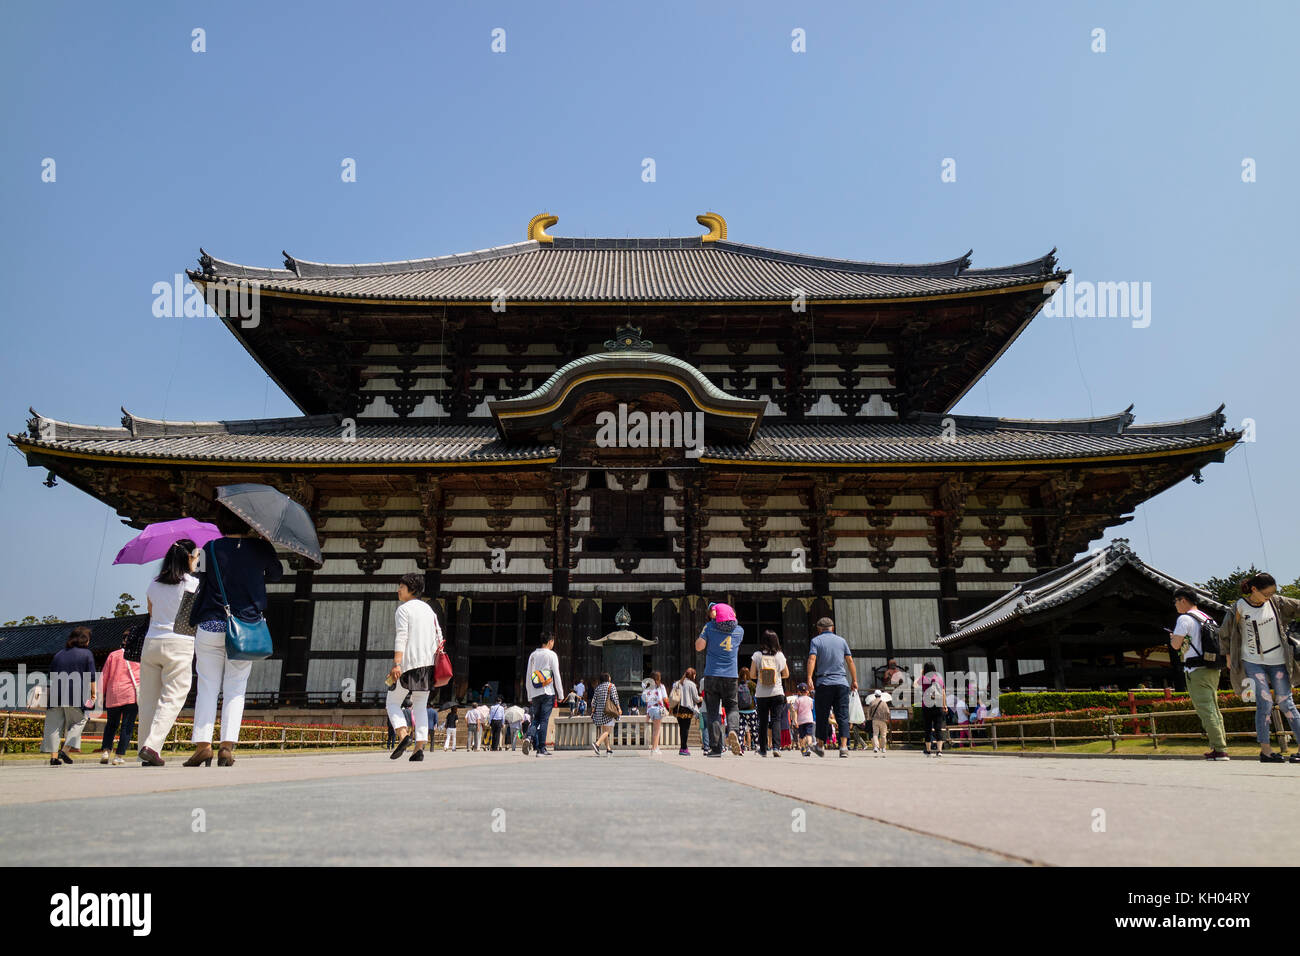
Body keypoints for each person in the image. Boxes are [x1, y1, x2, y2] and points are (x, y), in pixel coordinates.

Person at [190, 507, 283, 767]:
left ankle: (203, 745)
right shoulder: (260, 548)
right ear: (249, 524)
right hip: (245, 627)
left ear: (221, 523)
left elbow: (198, 573)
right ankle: (227, 747)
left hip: (210, 624)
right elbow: (276, 574)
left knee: (207, 685)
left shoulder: (210, 546)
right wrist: (265, 546)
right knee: (236, 687)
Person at [1218, 572, 1300, 763]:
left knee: (1286, 703)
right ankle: (1266, 751)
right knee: (1265, 703)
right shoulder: (1239, 607)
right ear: (1254, 589)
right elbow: (1225, 633)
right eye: (1266, 594)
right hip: (1252, 661)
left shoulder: (1277, 602)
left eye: (1272, 593)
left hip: (1278, 660)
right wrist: (1229, 657)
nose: (1269, 597)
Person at [387, 573, 444, 763]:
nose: (398, 590)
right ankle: (419, 747)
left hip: (409, 664)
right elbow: (439, 637)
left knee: (393, 702)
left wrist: (397, 663)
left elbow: (401, 636)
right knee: (420, 705)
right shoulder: (430, 610)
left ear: (411, 589)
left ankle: (403, 735)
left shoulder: (404, 610)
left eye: (401, 587)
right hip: (428, 666)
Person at [1168, 586, 1230, 761]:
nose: (1175, 605)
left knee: (1205, 709)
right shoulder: (1207, 617)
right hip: (1212, 667)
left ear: (1183, 600)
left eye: (1176, 601)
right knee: (1214, 708)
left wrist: (1173, 637)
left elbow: (1176, 645)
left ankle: (1219, 749)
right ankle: (1220, 745)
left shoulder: (1184, 619)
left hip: (1196, 670)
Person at [695, 601, 745, 757]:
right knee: (732, 707)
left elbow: (699, 646)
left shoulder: (709, 627)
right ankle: (733, 730)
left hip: (712, 674)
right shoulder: (739, 631)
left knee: (713, 712)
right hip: (731, 676)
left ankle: (716, 748)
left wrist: (706, 630)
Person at [44, 627, 97, 765]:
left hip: (56, 694)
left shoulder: (59, 654)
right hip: (75, 695)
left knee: (53, 726)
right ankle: (65, 749)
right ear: (85, 640)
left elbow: (51, 676)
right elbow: (91, 677)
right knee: (80, 720)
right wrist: (93, 694)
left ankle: (53, 757)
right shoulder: (87, 654)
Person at [807, 617, 858, 758]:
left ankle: (820, 746)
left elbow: (812, 659)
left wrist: (809, 677)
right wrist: (854, 680)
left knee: (823, 715)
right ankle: (843, 747)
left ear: (819, 629)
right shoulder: (842, 641)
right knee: (842, 715)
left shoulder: (816, 641)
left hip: (824, 683)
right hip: (842, 683)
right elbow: (850, 660)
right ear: (832, 628)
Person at [98, 638, 140, 765]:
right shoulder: (139, 656)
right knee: (127, 726)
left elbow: (104, 676)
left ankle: (106, 751)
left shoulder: (113, 655)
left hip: (114, 693)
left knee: (111, 724)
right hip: (131, 695)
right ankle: (119, 755)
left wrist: (101, 693)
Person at [523, 631, 563, 756]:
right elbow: (556, 674)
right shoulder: (552, 655)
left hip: (535, 692)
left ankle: (529, 737)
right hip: (547, 691)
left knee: (536, 719)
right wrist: (560, 694)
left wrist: (529, 694)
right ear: (550, 641)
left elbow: (529, 675)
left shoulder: (533, 655)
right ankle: (541, 748)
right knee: (544, 720)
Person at [750, 630, 789, 758]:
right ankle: (776, 747)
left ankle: (763, 748)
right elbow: (786, 674)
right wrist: (776, 675)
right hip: (777, 692)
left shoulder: (757, 655)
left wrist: (761, 676)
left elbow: (751, 675)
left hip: (762, 693)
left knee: (762, 721)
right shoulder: (780, 656)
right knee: (776, 719)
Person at [916, 663, 946, 756]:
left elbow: (915, 684)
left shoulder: (924, 679)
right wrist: (945, 705)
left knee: (928, 729)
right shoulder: (939, 679)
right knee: (938, 728)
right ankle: (939, 750)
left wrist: (921, 674)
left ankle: (928, 750)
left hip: (927, 706)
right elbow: (943, 693)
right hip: (938, 705)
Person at [670, 667, 701, 756]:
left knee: (682, 728)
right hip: (687, 709)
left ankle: (683, 747)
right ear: (692, 675)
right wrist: (701, 698)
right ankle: (684, 748)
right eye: (695, 675)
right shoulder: (692, 684)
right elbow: (696, 698)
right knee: (686, 729)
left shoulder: (677, 683)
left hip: (678, 708)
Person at [590, 672, 620, 755]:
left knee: (604, 730)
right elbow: (615, 698)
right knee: (607, 731)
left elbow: (594, 701)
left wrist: (593, 711)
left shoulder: (598, 687)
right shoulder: (611, 686)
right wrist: (618, 708)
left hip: (600, 712)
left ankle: (608, 748)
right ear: (608, 678)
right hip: (609, 711)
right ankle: (597, 744)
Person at [643, 672, 670, 754]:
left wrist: (647, 712)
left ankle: (656, 747)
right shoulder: (661, 687)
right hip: (658, 708)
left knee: (655, 729)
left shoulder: (648, 687)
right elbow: (665, 699)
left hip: (650, 709)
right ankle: (654, 748)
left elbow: (645, 699)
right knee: (657, 730)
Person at [736, 666, 758, 754]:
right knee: (754, 729)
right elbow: (757, 694)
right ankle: (757, 747)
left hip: (741, 710)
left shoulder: (737, 684)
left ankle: (741, 748)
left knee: (741, 730)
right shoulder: (752, 684)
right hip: (751, 710)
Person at [791, 683, 816, 756]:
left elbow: (795, 711)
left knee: (801, 736)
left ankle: (803, 748)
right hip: (809, 719)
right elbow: (811, 708)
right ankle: (809, 747)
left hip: (801, 720)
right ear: (807, 691)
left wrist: (795, 720)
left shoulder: (797, 700)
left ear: (799, 692)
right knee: (809, 734)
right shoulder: (811, 700)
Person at [866, 690, 891, 755]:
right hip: (883, 720)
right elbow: (888, 712)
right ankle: (883, 748)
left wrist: (869, 718)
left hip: (875, 720)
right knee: (883, 735)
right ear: (880, 695)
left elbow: (869, 711)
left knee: (875, 734)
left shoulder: (872, 702)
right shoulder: (884, 703)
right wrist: (887, 718)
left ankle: (876, 747)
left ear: (875, 695)